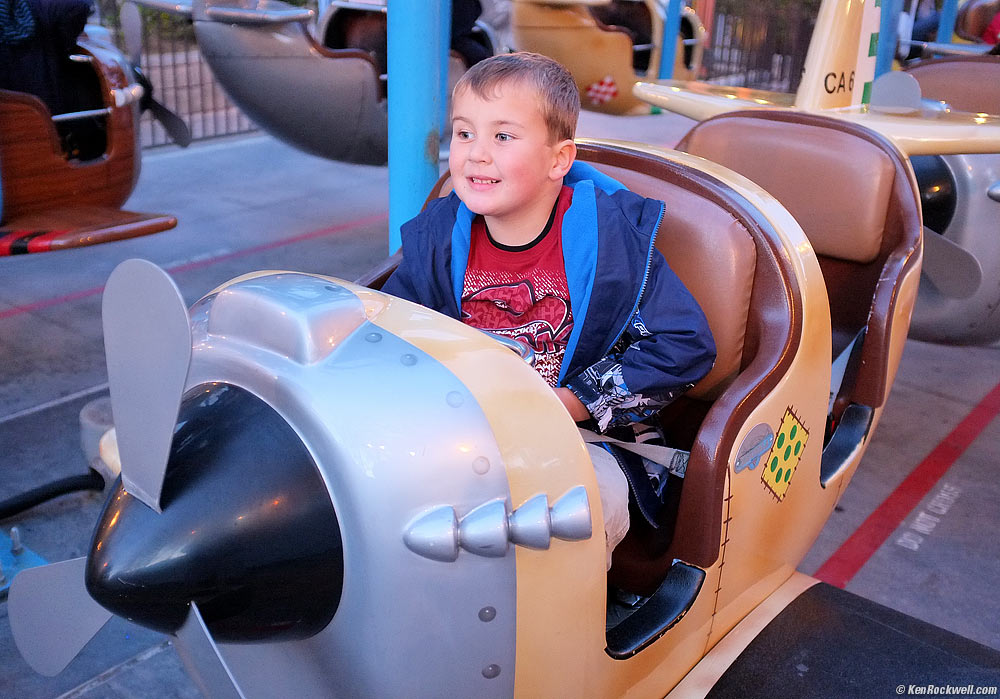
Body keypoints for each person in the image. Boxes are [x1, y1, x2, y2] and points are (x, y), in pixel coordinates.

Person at [382, 52, 715, 569]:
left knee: (568, 519)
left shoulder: (611, 242)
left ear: (559, 160)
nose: (475, 155)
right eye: (464, 133)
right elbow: (394, 327)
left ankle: (563, 639)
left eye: (504, 137)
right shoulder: (440, 239)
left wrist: (571, 402)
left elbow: (682, 345)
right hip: (467, 430)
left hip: (586, 438)